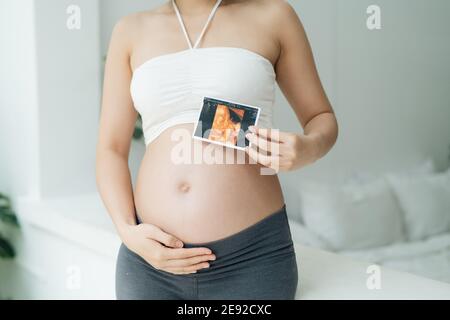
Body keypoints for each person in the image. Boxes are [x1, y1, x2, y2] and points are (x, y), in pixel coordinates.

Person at [96, 0, 338, 300]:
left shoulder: (275, 16)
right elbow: (111, 149)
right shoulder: (130, 31)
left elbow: (320, 117)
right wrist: (127, 232)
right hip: (151, 263)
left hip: (251, 259)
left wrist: (308, 148)